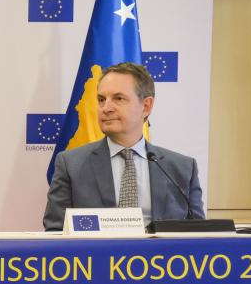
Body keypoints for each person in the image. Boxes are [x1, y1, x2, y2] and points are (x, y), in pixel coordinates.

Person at [43, 62, 204, 231]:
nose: (106, 108)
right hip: (96, 256)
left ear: (146, 106)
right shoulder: (71, 164)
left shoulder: (182, 168)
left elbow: (199, 233)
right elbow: (55, 232)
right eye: (101, 100)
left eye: (118, 99)